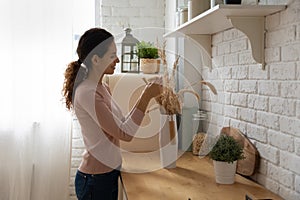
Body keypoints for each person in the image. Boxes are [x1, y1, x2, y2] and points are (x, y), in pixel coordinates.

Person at [62, 28, 163, 200]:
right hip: (95, 180)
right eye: (112, 55)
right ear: (95, 59)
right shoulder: (88, 93)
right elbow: (124, 133)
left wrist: (145, 95)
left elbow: (122, 123)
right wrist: (146, 96)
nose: (117, 59)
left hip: (108, 175)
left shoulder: (102, 87)